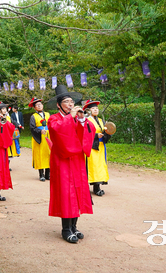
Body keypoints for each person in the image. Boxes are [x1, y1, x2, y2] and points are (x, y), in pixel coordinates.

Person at [47, 85, 95, 244]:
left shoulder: (76, 117)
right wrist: (71, 118)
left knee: (78, 190)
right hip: (62, 159)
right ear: (58, 105)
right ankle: (65, 229)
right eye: (66, 102)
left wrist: (81, 121)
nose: (70, 104)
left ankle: (74, 226)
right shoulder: (53, 118)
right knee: (66, 192)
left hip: (77, 160)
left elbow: (89, 131)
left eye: (71, 101)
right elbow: (58, 132)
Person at [83, 99, 110, 196]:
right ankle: (93, 188)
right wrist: (95, 136)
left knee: (100, 166)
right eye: (93, 108)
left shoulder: (101, 120)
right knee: (92, 167)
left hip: (101, 147)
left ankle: (97, 187)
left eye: (96, 108)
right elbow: (84, 134)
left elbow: (104, 132)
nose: (95, 110)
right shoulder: (86, 121)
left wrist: (108, 132)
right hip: (91, 147)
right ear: (88, 110)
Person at [29, 97, 51, 181]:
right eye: (37, 105)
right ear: (34, 107)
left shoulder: (48, 114)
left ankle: (47, 174)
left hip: (48, 136)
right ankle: (41, 174)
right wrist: (40, 130)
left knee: (48, 154)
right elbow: (32, 127)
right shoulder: (33, 117)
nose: (39, 106)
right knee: (40, 156)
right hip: (39, 137)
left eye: (40, 104)